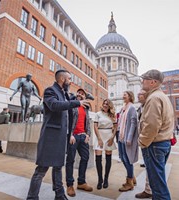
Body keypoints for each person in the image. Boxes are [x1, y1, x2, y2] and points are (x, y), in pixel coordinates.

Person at [26, 70, 89, 200]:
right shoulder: (50, 91)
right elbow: (54, 105)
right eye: (69, 79)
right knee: (41, 169)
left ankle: (59, 195)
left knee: (58, 167)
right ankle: (32, 197)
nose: (71, 81)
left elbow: (69, 113)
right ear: (62, 79)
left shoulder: (65, 94)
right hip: (50, 138)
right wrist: (77, 103)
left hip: (61, 138)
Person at [139, 69, 174, 200]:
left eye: (145, 79)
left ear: (153, 82)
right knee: (158, 181)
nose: (142, 81)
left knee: (157, 185)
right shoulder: (162, 96)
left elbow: (152, 125)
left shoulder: (153, 98)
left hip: (154, 144)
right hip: (162, 143)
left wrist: (142, 141)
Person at [65, 88, 93, 197]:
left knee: (85, 158)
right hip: (73, 137)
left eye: (82, 94)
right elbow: (67, 120)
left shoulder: (85, 108)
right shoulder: (72, 105)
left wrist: (88, 134)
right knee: (70, 160)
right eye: (79, 93)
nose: (80, 95)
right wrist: (70, 134)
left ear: (85, 97)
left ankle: (81, 182)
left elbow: (88, 122)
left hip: (83, 136)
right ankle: (70, 184)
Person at [93, 99, 117, 190]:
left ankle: (106, 179)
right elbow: (95, 126)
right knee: (98, 159)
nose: (105, 105)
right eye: (104, 103)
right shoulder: (98, 114)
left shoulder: (112, 115)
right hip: (100, 135)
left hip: (109, 137)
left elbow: (115, 127)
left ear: (110, 105)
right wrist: (99, 139)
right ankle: (100, 179)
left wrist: (112, 138)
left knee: (108, 159)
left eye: (107, 104)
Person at [118, 91, 139, 192]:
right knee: (122, 157)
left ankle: (129, 182)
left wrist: (129, 138)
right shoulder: (124, 108)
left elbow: (133, 123)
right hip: (121, 137)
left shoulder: (132, 108)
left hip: (127, 138)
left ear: (130, 96)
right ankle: (132, 176)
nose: (123, 96)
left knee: (127, 159)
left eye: (125, 95)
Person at [135, 89, 153, 199]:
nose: (138, 95)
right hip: (145, 141)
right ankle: (148, 189)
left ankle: (152, 191)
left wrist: (143, 140)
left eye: (140, 94)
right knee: (149, 167)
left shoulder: (149, 105)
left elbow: (151, 124)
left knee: (152, 168)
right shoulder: (140, 107)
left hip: (150, 141)